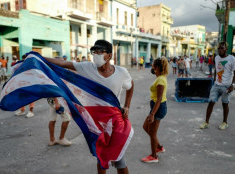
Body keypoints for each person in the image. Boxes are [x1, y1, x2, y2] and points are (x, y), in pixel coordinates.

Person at [44, 40, 134, 174]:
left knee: (119, 159)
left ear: (109, 55)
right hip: (96, 123)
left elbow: (130, 85)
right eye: (94, 52)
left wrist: (127, 106)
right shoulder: (86, 67)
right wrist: (39, 57)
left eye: (100, 52)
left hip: (114, 122)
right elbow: (63, 63)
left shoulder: (121, 72)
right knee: (100, 157)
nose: (96, 55)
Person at [200, 42, 235, 130]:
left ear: (226, 49)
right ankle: (206, 122)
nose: (220, 50)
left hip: (227, 86)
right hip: (217, 85)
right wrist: (214, 80)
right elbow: (216, 70)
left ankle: (225, 122)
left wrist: (232, 85)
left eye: (222, 48)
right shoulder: (217, 58)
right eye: (219, 48)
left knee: (225, 104)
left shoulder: (232, 59)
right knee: (211, 102)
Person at [141, 57, 168, 163]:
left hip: (158, 108)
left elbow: (160, 98)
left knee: (152, 133)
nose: (151, 67)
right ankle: (159, 147)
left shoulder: (161, 79)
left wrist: (152, 114)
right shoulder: (159, 77)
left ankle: (154, 156)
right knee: (145, 127)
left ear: (157, 67)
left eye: (153, 66)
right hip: (156, 108)